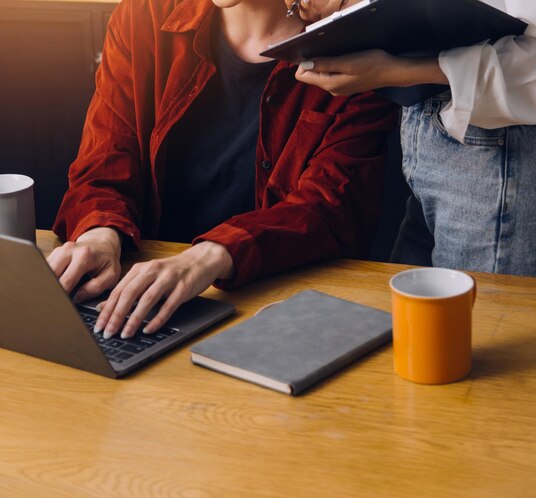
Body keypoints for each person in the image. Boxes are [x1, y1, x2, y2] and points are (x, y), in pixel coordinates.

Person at [48, 0, 399, 340]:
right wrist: (100, 234)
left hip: (278, 312)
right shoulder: (144, 14)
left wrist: (211, 256)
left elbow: (332, 211)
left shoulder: (358, 49)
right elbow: (105, 155)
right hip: (135, 296)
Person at [289, 0, 536, 279]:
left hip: (505, 159)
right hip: (431, 146)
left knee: (482, 332)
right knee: (415, 330)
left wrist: (402, 71)